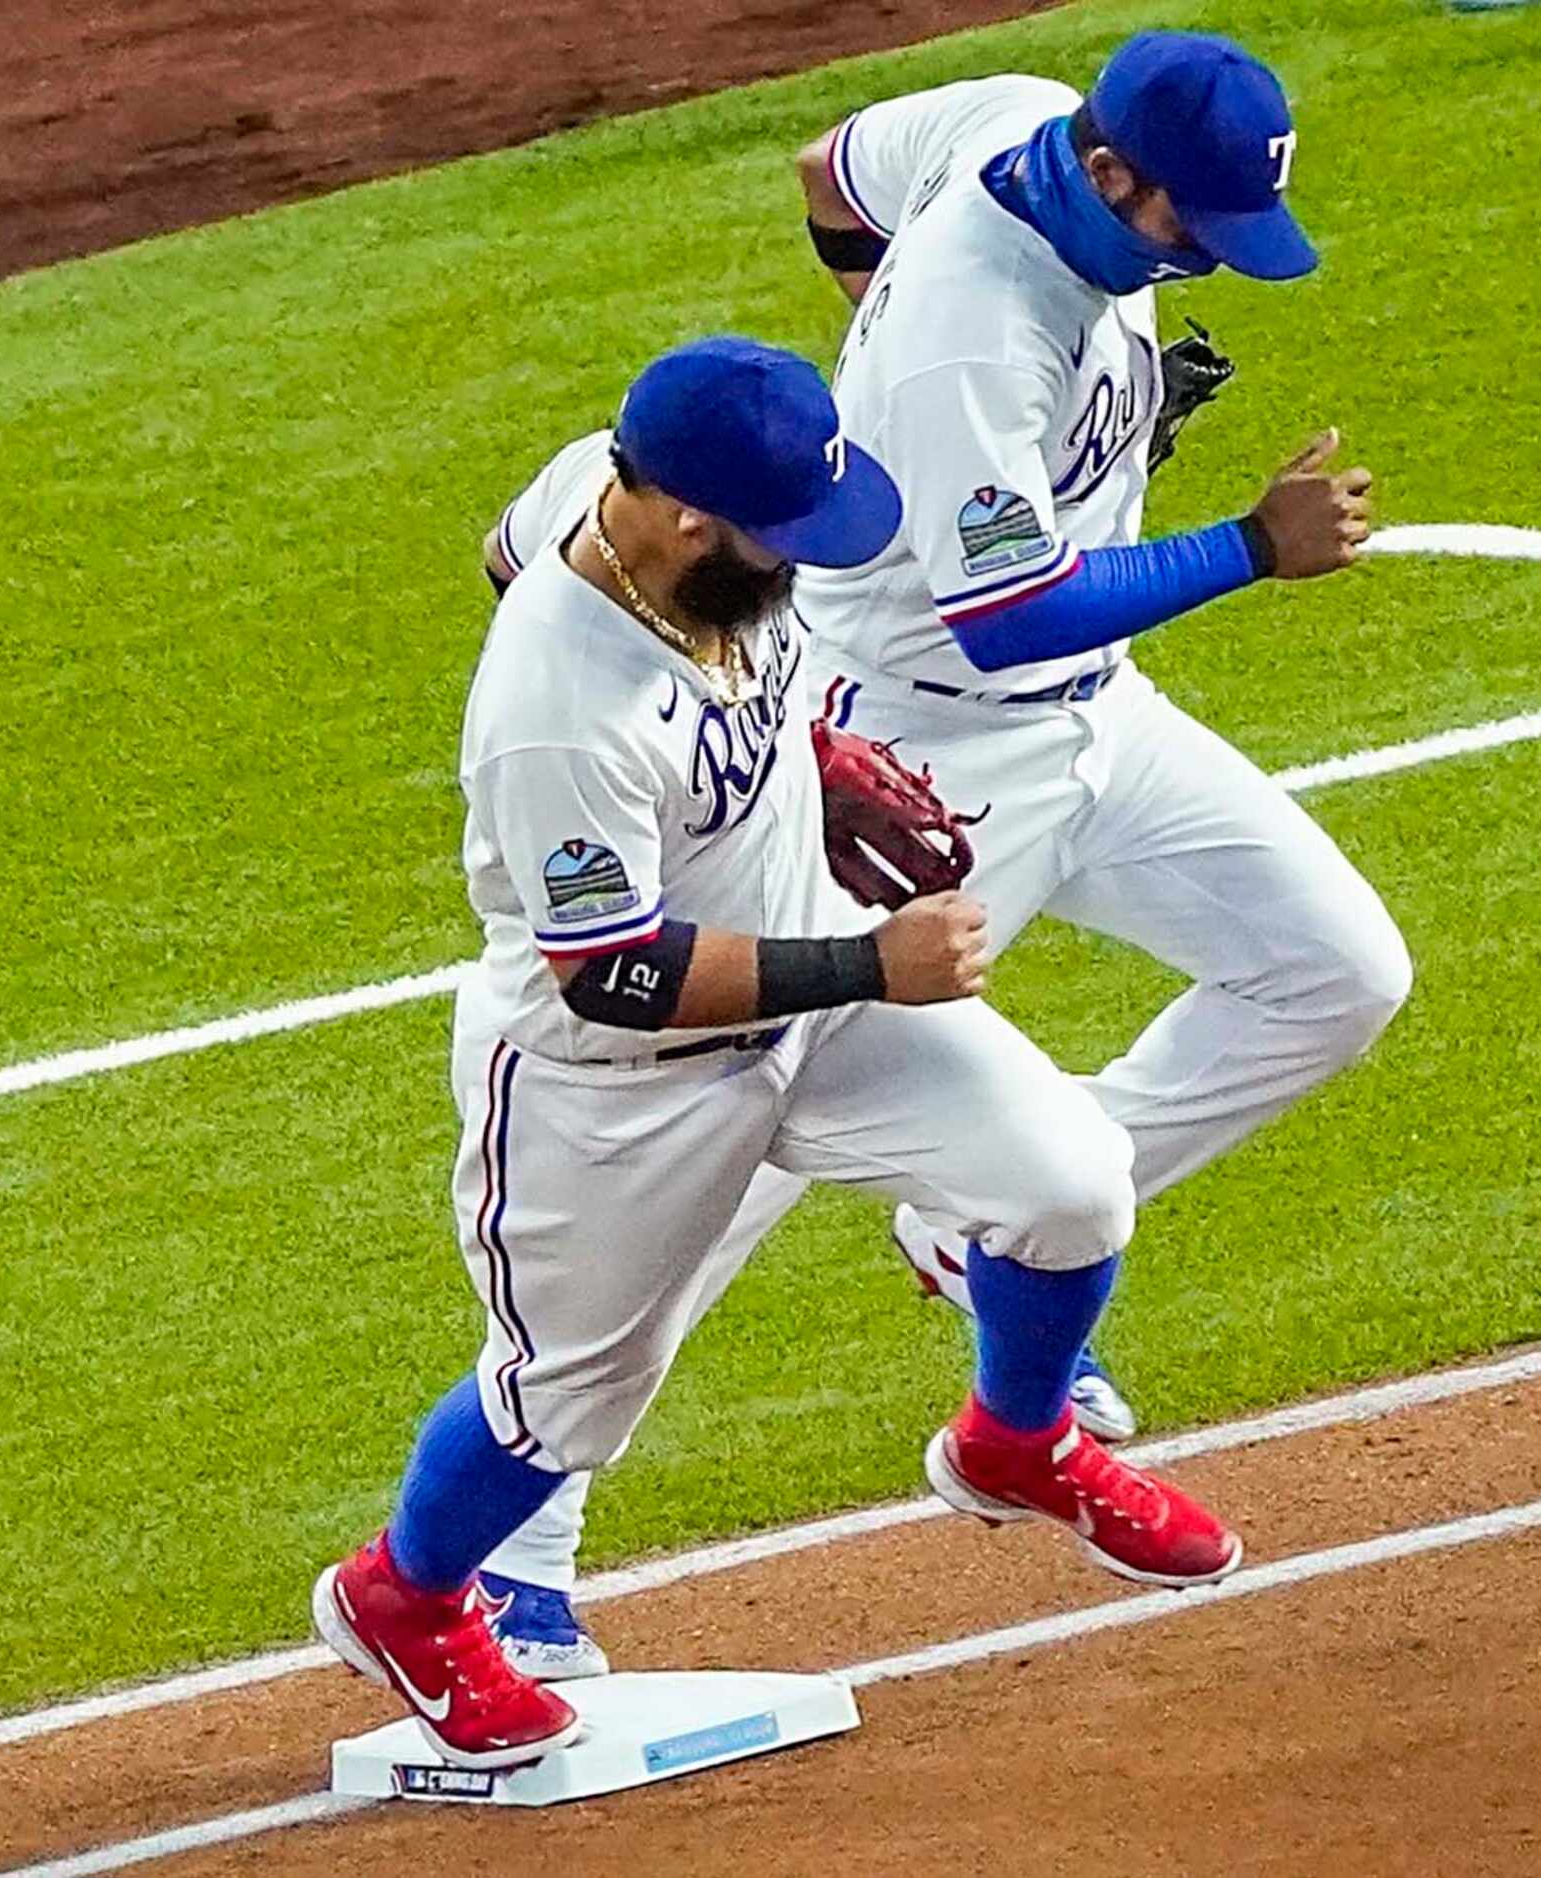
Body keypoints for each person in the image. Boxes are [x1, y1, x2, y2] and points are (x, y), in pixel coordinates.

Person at [472, 29, 1409, 1686]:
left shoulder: (1016, 118)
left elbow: (834, 173)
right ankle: (520, 1557)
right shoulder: (978, 334)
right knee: (729, 1133)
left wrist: (1029, 450)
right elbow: (1007, 606)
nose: (1203, 261)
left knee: (1337, 971)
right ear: (1113, 178)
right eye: (1191, 229)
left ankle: (990, 1239)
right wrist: (1248, 547)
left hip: (1095, 720)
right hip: (925, 743)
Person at [311, 336, 1239, 1768]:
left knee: (1073, 1186)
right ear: (688, 523)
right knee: (557, 1399)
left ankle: (1016, 1439)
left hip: (815, 1014)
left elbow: (525, 554)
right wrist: (876, 960)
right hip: (619, 1086)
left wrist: (822, 758)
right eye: (783, 534)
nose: (810, 557)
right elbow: (616, 972)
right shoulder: (559, 714)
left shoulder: (615, 499)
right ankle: (404, 1597)